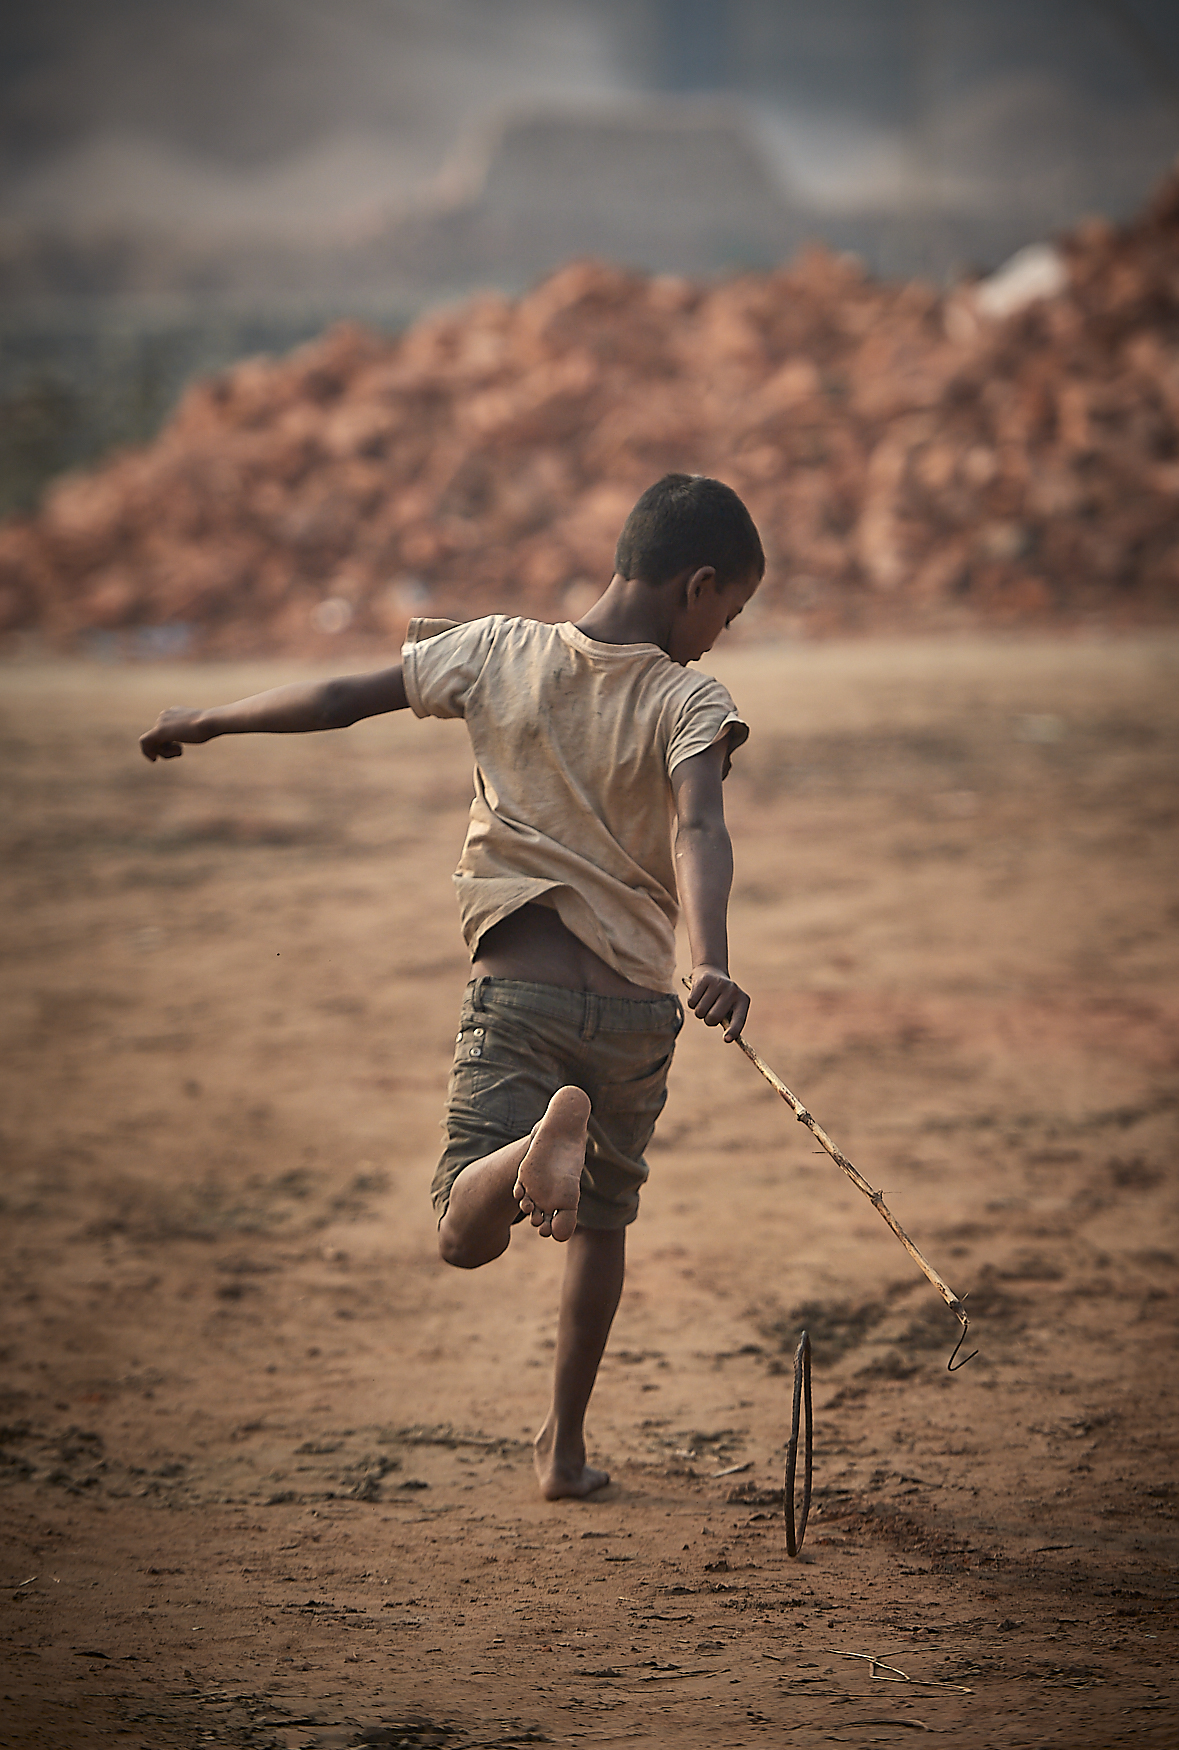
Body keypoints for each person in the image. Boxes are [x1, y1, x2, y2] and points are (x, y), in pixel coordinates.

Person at [139, 472, 763, 1500]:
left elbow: (341, 699)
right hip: (638, 1007)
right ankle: (562, 1451)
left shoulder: (495, 646)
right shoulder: (689, 697)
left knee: (459, 1229)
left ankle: (521, 1150)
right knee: (604, 1222)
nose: (719, 637)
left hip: (518, 991)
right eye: (728, 613)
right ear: (698, 585)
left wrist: (209, 716)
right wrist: (715, 960)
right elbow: (699, 824)